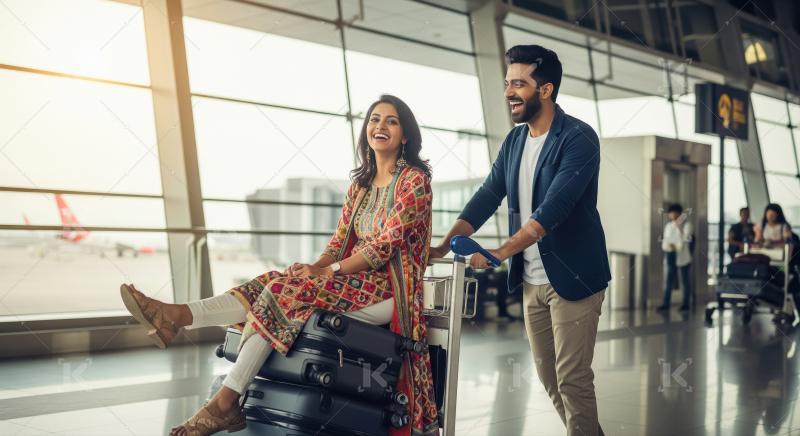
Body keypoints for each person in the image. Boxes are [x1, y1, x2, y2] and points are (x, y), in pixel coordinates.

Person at [119, 95, 439, 436]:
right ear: (366, 131)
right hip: (349, 282)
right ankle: (177, 318)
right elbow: (339, 242)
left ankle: (223, 400)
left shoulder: (415, 181)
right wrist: (312, 268)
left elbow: (383, 246)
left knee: (284, 291)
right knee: (276, 280)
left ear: (405, 136)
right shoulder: (359, 187)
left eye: (391, 121)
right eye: (375, 119)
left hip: (391, 290)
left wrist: (327, 272)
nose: (380, 126)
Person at [430, 44, 610, 436]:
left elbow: (553, 210)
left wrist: (498, 252)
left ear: (544, 90)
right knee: (550, 379)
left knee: (572, 379)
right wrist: (444, 245)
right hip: (532, 280)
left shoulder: (579, 138)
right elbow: (487, 195)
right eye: (507, 82)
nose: (509, 91)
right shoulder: (514, 142)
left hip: (574, 279)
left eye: (518, 83)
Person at [656, 203, 693, 312]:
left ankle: (686, 304)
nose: (672, 215)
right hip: (670, 254)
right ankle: (665, 304)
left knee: (684, 281)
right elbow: (666, 241)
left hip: (683, 257)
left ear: (679, 213)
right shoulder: (668, 226)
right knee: (668, 281)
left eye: (674, 213)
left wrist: (679, 227)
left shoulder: (687, 225)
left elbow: (686, 239)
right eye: (670, 213)